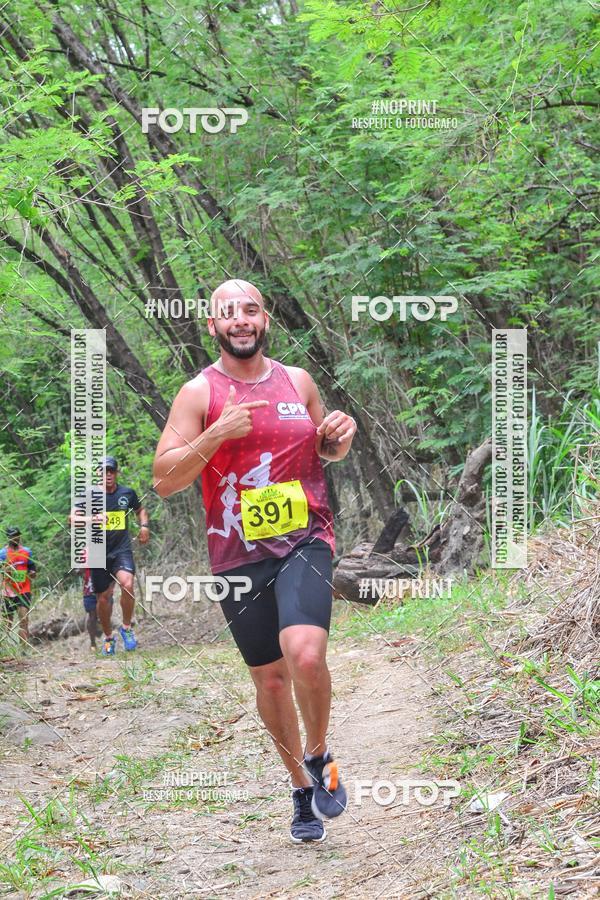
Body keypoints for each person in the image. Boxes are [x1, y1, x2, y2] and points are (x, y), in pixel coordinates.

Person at [153, 279, 357, 843]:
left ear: (265, 320)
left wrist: (339, 437)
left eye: (249, 310)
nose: (240, 320)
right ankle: (299, 789)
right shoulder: (198, 394)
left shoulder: (299, 381)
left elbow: (325, 449)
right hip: (235, 553)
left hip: (304, 538)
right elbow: (165, 479)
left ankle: (319, 756)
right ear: (213, 327)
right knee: (269, 681)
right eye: (227, 313)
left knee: (306, 655)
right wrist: (215, 434)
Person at [69, 456, 149, 656]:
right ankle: (108, 637)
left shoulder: (127, 493)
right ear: (99, 474)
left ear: (116, 473)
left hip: (121, 550)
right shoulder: (89, 495)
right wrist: (92, 518)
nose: (108, 475)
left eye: (111, 471)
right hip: (97, 551)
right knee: (103, 598)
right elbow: (72, 520)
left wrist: (144, 526)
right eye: (104, 471)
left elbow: (140, 510)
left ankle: (127, 628)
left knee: (127, 584)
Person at [0, 526, 37, 644]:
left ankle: (24, 648)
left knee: (24, 619)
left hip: (24, 590)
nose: (15, 538)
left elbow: (33, 571)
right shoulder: (2, 553)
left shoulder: (27, 551)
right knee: (7, 622)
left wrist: (32, 573)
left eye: (17, 535)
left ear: (19, 536)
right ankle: (4, 647)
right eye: (12, 536)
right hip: (8, 591)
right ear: (8, 537)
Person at [79, 548, 114, 650]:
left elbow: (113, 570)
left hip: (105, 589)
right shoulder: (83, 551)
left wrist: (111, 587)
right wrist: (81, 567)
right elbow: (79, 571)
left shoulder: (108, 549)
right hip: (89, 589)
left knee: (106, 616)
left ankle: (108, 642)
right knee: (92, 616)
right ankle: (93, 644)